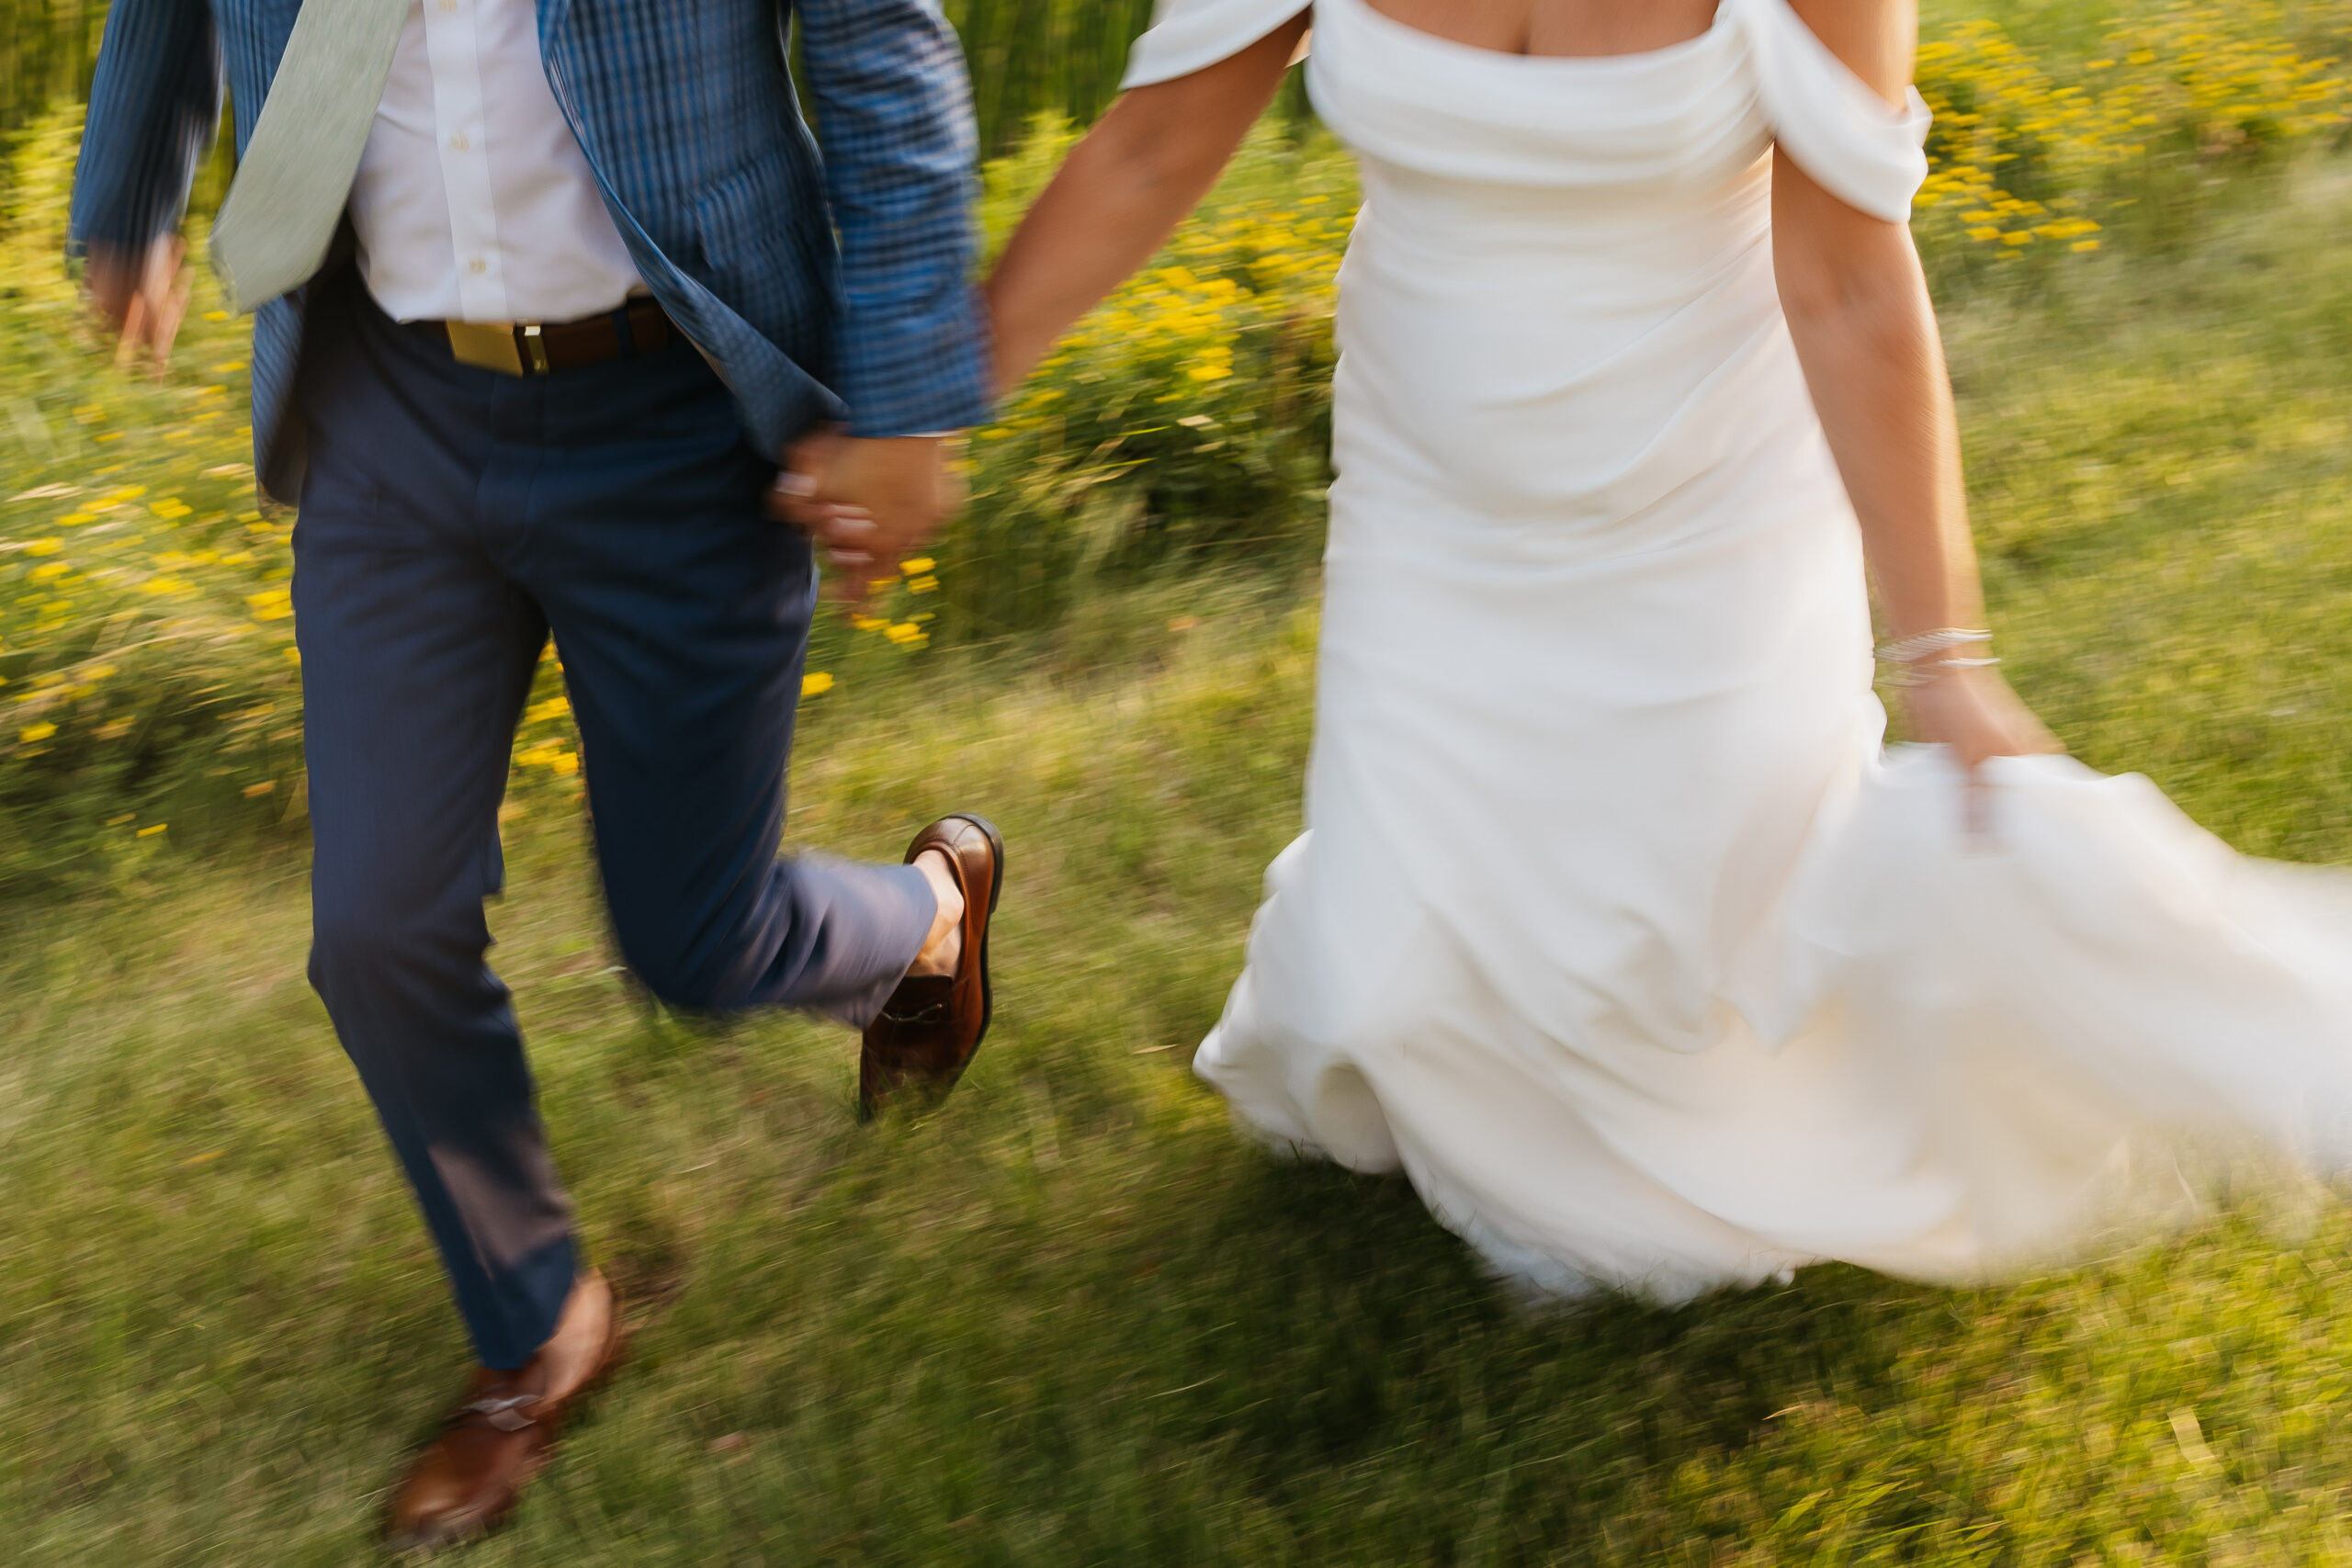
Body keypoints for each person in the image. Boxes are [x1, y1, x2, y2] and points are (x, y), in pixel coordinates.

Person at [888, 0, 2352, 1303]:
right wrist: (929, 408)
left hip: (1702, 504)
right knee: (1396, 982)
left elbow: (1849, 288)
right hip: (1432, 498)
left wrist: (1946, 658)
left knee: (1674, 965)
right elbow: (1151, 154)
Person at [71, 0, 1005, 1547]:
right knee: (378, 927)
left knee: (695, 942)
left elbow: (878, 40)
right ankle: (537, 1318)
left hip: (678, 408)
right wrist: (130, 190)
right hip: (387, 404)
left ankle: (927, 923)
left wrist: (907, 395)